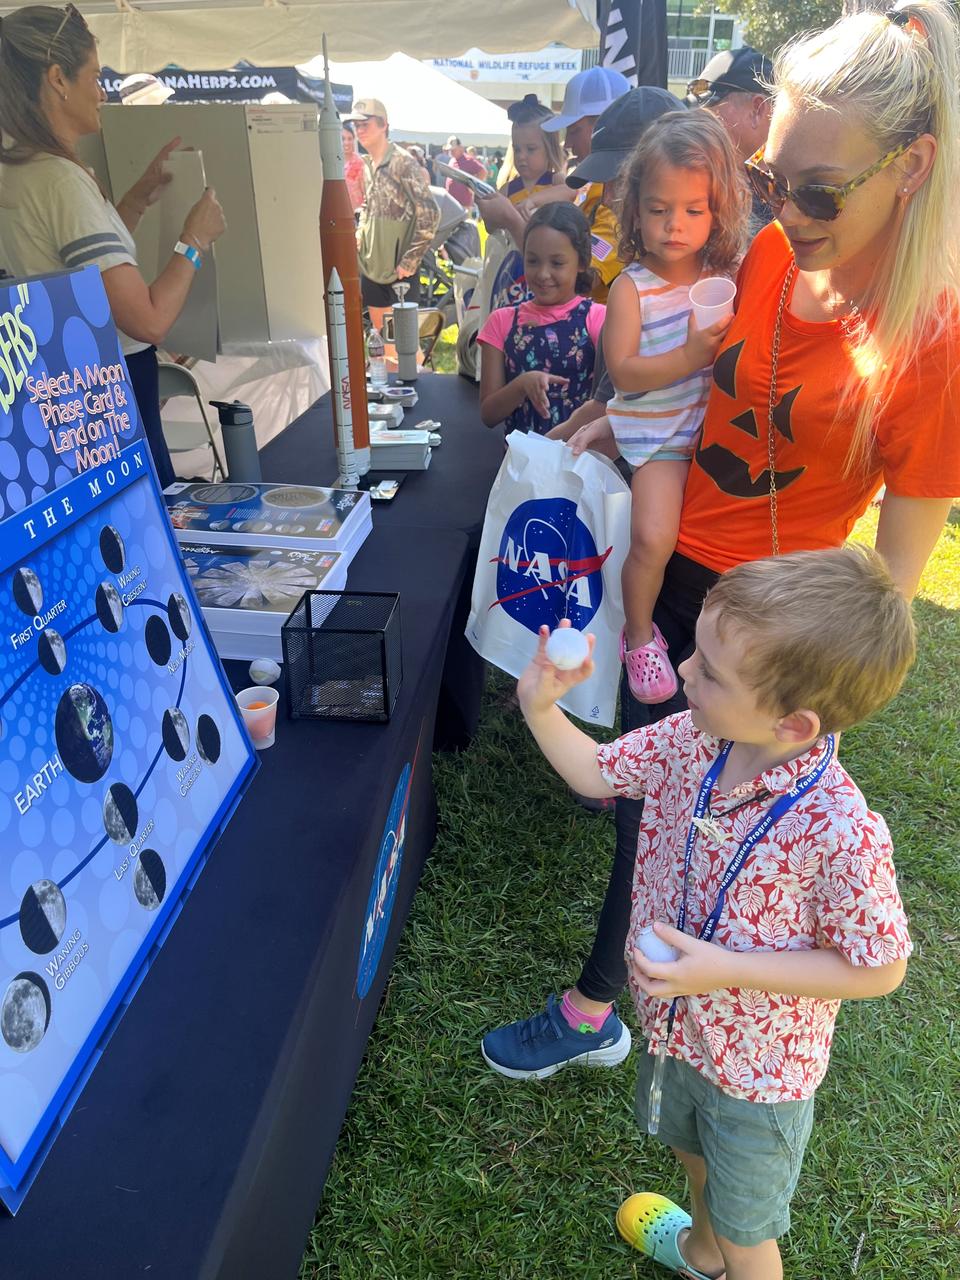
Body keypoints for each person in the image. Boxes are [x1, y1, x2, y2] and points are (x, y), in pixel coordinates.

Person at [481, 0, 960, 1085]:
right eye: (775, 177)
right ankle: (619, 998)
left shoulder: (931, 340)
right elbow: (712, 386)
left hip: (765, 629)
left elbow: (887, 594)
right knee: (648, 802)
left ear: (915, 166)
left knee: (676, 812)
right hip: (674, 567)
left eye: (820, 188)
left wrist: (796, 694)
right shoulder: (775, 250)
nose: (788, 207)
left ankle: (607, 1007)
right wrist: (613, 418)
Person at [512, 546, 915, 1280]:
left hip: (758, 1075)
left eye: (710, 671)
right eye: (694, 649)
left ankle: (725, 1255)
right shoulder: (691, 739)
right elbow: (596, 770)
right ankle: (701, 1255)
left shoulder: (838, 828)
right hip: (678, 1034)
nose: (684, 670)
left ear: (793, 725)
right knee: (692, 1159)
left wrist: (723, 969)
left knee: (749, 1234)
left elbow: (881, 968)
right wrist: (540, 704)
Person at [0, 3, 226, 490]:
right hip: (108, 388)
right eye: (95, 76)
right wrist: (194, 240)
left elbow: (75, 276)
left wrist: (133, 202)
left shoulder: (21, 171)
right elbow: (146, 319)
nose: (101, 92)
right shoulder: (59, 180)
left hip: (53, 390)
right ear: (58, 79)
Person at [605, 111, 749, 703]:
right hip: (662, 439)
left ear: (718, 212)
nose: (674, 225)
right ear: (635, 209)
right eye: (659, 208)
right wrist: (691, 355)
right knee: (654, 538)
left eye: (693, 209)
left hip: (715, 436)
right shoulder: (630, 287)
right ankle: (639, 636)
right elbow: (624, 374)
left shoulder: (723, 276)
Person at [478, 203, 605, 436]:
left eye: (557, 263)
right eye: (533, 261)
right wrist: (521, 385)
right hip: (521, 466)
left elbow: (612, 401)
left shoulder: (597, 319)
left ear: (582, 263)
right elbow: (488, 414)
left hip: (578, 462)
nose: (543, 274)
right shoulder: (501, 322)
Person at [344, 95, 440, 336]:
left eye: (365, 124)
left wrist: (410, 260)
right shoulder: (367, 164)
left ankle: (416, 373)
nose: (359, 130)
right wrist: (360, 234)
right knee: (383, 337)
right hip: (372, 265)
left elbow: (430, 213)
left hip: (398, 268)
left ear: (383, 124)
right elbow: (368, 204)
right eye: (356, 125)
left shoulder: (402, 162)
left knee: (404, 341)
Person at [686, 46, 775, 238]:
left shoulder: (795, 190)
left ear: (757, 110)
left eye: (710, 111)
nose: (696, 122)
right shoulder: (695, 182)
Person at [475, 95, 565, 249]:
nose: (521, 156)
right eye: (517, 149)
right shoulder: (508, 189)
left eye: (531, 149)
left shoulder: (556, 182)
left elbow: (571, 192)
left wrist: (532, 201)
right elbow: (491, 229)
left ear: (549, 149)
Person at [443, 135, 485, 212]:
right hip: (452, 202)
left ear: (460, 148)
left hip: (463, 203)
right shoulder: (452, 160)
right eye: (450, 150)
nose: (451, 152)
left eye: (453, 150)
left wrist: (473, 187)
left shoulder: (468, 160)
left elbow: (483, 171)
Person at [341, 122, 366, 213]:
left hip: (356, 216)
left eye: (349, 139)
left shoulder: (360, 163)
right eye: (342, 139)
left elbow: (366, 193)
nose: (346, 142)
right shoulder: (332, 164)